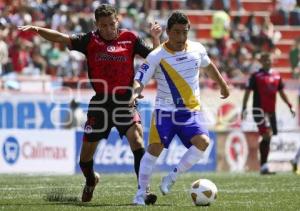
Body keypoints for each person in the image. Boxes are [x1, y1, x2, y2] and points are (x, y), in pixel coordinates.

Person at [18, 4, 162, 204]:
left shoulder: (130, 38)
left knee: (137, 140)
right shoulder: (89, 40)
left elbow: (155, 59)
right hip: (100, 103)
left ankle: (143, 190)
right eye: (104, 25)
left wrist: (155, 38)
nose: (109, 29)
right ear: (97, 25)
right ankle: (91, 180)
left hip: (125, 101)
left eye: (112, 24)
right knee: (85, 159)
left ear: (117, 21)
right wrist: (37, 29)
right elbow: (61, 37)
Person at [130, 11, 230, 205]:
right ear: (168, 31)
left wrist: (222, 83)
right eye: (176, 32)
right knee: (154, 149)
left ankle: (172, 177)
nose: (181, 37)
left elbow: (209, 67)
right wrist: (135, 93)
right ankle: (140, 194)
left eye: (184, 32)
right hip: (164, 112)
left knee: (203, 142)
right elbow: (140, 79)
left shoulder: (197, 49)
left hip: (190, 111)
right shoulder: (156, 55)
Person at [242, 52, 296, 175]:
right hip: (259, 111)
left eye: (269, 59)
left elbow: (282, 93)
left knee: (269, 137)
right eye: (264, 59)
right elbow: (247, 92)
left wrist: (290, 106)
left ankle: (263, 165)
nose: (267, 61)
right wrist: (244, 107)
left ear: (272, 60)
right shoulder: (256, 76)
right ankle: (264, 166)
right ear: (260, 61)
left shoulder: (277, 75)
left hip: (271, 112)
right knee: (267, 135)